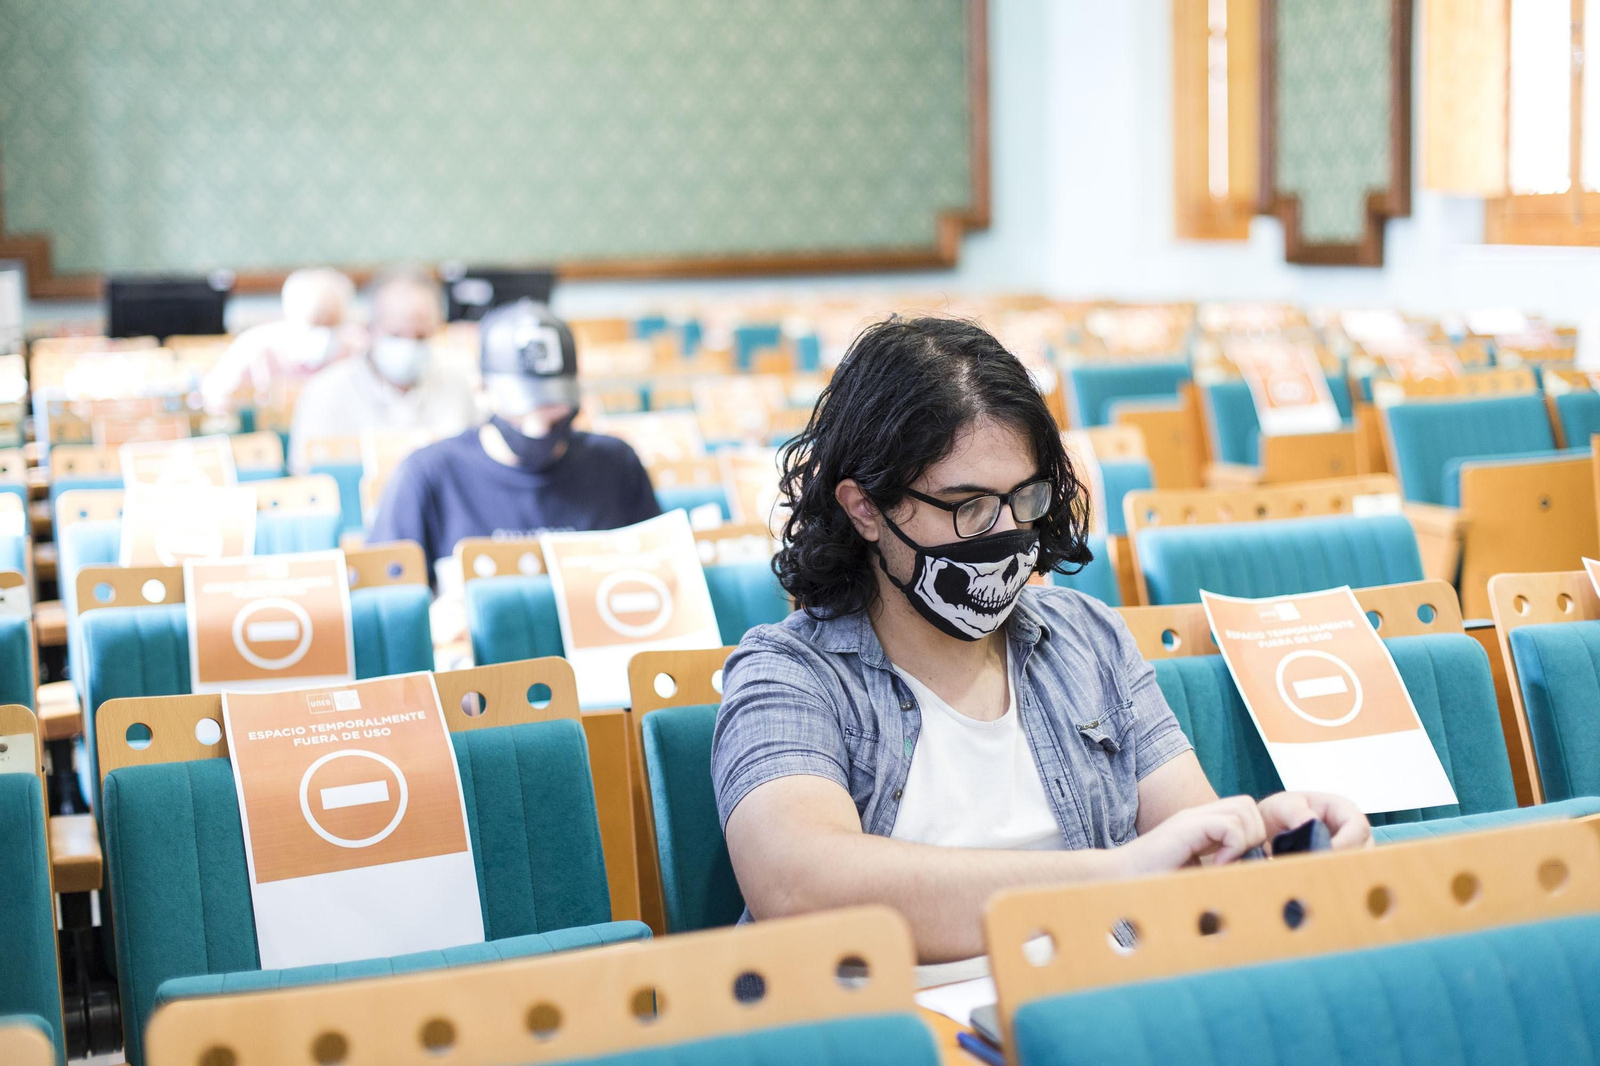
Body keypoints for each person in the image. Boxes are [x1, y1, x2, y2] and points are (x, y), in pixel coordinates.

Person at [712, 317, 1371, 965]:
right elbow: (799, 885)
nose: (1004, 532)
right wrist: (1109, 881)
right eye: (968, 506)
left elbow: (1189, 847)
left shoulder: (1086, 637)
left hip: (1096, 1010)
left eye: (1023, 499)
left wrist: (1267, 839)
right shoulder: (788, 674)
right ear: (864, 509)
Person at [368, 298, 659, 577]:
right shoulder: (428, 475)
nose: (538, 429)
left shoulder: (616, 465)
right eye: (521, 411)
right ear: (481, 390)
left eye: (554, 411)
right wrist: (432, 617)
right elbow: (388, 604)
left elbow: (665, 574)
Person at [288, 268, 477, 472]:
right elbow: (305, 478)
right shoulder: (324, 393)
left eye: (421, 336)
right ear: (371, 329)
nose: (409, 346)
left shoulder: (460, 382)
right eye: (396, 334)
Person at [200, 268, 362, 414]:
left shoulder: (357, 348)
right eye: (313, 326)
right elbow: (214, 393)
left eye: (331, 327)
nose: (322, 336)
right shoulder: (257, 345)